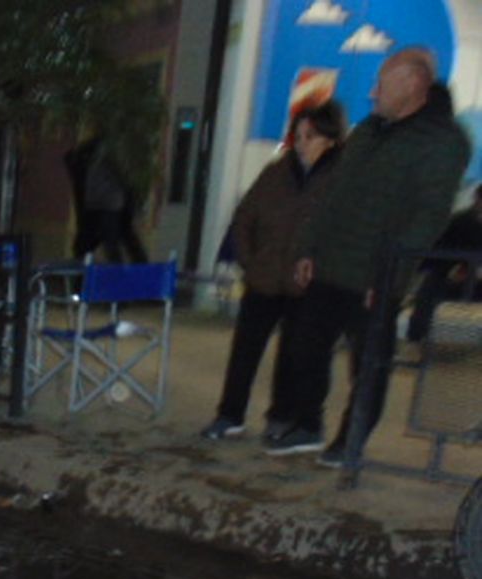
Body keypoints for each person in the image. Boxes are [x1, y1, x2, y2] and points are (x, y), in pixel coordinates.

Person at [268, 46, 470, 461]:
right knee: (304, 346)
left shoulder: (443, 142)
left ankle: (351, 440)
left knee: (369, 365)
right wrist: (309, 248)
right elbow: (333, 196)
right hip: (330, 264)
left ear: (413, 84)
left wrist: (390, 277)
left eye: (382, 84)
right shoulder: (368, 132)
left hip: (376, 273)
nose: (373, 94)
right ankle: (307, 425)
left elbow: (428, 217)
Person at [198, 101, 345, 441]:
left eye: (310, 135)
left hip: (305, 285)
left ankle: (281, 417)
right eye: (298, 134)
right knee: (245, 351)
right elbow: (245, 216)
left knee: (293, 356)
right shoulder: (277, 172)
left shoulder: (342, 178)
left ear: (331, 139)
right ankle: (229, 414)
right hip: (264, 277)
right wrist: (250, 259)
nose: (302, 142)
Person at [404, 182, 482, 343]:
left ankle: (416, 336)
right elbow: (442, 254)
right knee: (430, 289)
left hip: (461, 276)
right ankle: (416, 335)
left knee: (429, 290)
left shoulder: (460, 220)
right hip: (449, 275)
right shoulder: (461, 222)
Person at [64, 135, 147, 264]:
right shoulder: (96, 157)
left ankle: (121, 271)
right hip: (103, 205)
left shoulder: (104, 154)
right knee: (117, 240)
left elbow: (122, 176)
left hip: (105, 205)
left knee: (111, 241)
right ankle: (131, 268)